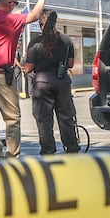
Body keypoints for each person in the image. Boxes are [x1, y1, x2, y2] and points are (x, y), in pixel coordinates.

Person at [0, 0, 49, 159]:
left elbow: (11, 15)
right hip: (1, 77)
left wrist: (15, 10)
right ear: (10, 4)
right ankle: (12, 157)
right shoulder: (8, 20)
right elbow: (35, 14)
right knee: (12, 118)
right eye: (15, 3)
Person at [25, 9, 80, 155]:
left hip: (42, 84)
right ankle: (72, 148)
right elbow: (70, 63)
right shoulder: (66, 40)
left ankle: (48, 150)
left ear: (39, 23)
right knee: (66, 118)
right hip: (62, 82)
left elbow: (29, 68)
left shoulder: (35, 42)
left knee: (44, 120)